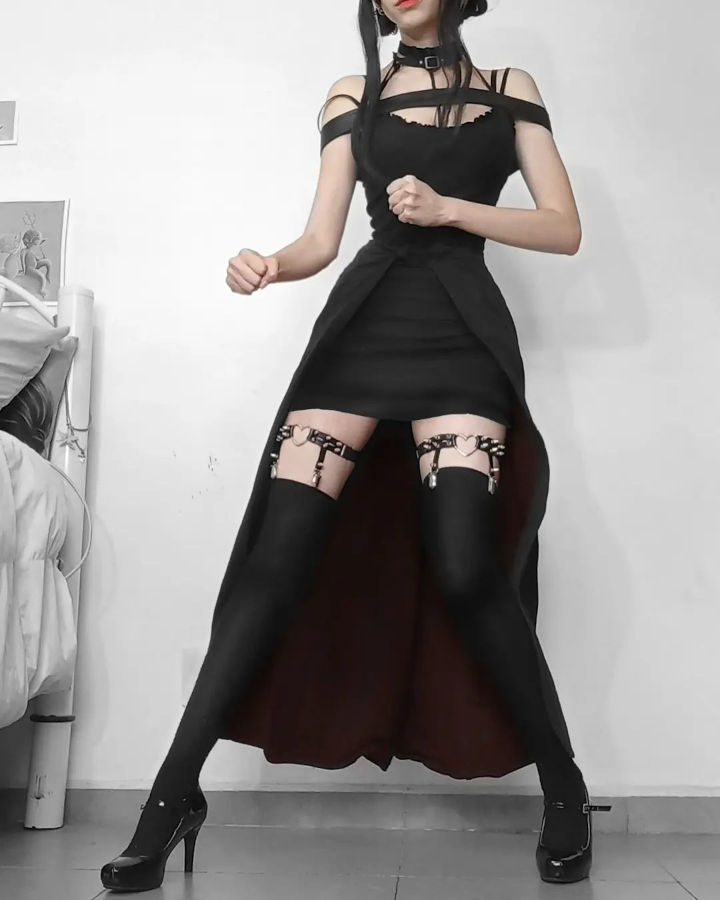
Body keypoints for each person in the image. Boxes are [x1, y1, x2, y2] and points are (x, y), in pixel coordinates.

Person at [101, 0, 612, 891]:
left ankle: (564, 788)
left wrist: (451, 208)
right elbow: (321, 239)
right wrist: (270, 262)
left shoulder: (507, 88)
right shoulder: (352, 92)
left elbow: (563, 227)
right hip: (363, 328)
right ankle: (170, 798)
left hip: (460, 339)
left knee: (467, 568)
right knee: (276, 563)